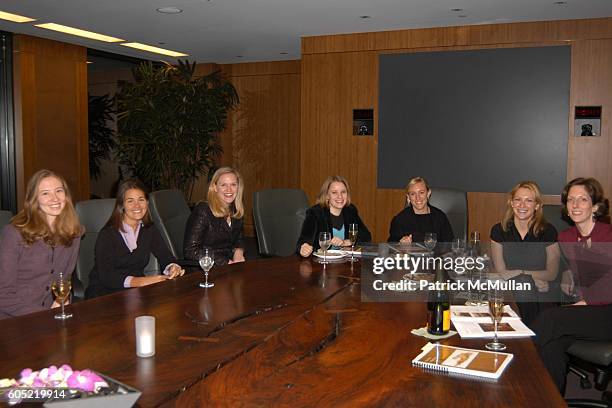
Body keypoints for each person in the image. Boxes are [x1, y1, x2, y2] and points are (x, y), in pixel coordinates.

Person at [533, 177, 612, 394]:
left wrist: (582, 303)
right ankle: (549, 399)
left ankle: (514, 367)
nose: (575, 205)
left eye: (582, 200)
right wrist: (568, 274)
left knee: (550, 318)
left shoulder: (607, 236)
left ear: (595, 206)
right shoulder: (566, 238)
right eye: (570, 200)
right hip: (588, 311)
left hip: (607, 312)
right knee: (551, 347)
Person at [0, 169, 82, 319]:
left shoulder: (73, 233)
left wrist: (60, 301)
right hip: (13, 318)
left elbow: (64, 280)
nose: (55, 198)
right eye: (45, 193)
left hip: (52, 316)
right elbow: (3, 294)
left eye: (59, 191)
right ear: (34, 199)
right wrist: (44, 314)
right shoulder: (13, 234)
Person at [85, 179, 184, 298]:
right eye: (130, 201)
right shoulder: (107, 234)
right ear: (122, 205)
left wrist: (172, 267)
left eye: (141, 200)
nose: (137, 205)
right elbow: (107, 276)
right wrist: (142, 281)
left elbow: (166, 257)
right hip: (103, 293)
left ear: (147, 203)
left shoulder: (149, 229)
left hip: (134, 293)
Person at [489, 181, 561, 326]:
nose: (522, 205)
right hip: (509, 290)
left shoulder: (548, 231)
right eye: (518, 200)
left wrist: (521, 272)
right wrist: (527, 277)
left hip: (542, 290)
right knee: (523, 285)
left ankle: (529, 338)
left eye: (529, 201)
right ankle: (530, 338)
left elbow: (552, 273)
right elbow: (501, 271)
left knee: (525, 285)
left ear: (537, 205)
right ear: (511, 203)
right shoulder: (499, 230)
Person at [183, 167, 245, 266]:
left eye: (233, 184)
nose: (229, 189)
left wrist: (239, 252)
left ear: (238, 187)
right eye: (223, 185)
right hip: (206, 269)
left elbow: (239, 239)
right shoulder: (203, 210)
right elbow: (190, 251)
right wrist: (225, 262)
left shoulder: (236, 210)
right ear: (215, 187)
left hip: (230, 264)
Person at [297, 175, 371, 257]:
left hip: (344, 263)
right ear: (327, 195)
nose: (340, 197)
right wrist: (304, 248)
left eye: (343, 192)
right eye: (334, 192)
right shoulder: (315, 213)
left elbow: (366, 236)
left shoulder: (350, 210)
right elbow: (304, 240)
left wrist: (346, 242)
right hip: (320, 264)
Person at [388, 177, 454, 244]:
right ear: (408, 197)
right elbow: (391, 246)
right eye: (413, 194)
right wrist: (400, 243)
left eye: (421, 192)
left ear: (428, 193)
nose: (418, 198)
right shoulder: (400, 220)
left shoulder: (440, 217)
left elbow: (450, 245)